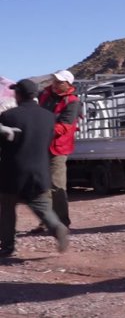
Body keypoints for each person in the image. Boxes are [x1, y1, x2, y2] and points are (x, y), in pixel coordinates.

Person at [0, 79, 69, 257]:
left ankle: (8, 247)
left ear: (19, 95)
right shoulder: (48, 117)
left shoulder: (8, 117)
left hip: (12, 172)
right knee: (42, 207)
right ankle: (57, 227)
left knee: (7, 210)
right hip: (40, 171)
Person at [30, 70, 79, 233]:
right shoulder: (45, 94)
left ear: (68, 85)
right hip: (41, 145)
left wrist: (41, 129)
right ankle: (46, 221)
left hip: (57, 148)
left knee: (57, 185)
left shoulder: (72, 101)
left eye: (60, 82)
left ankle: (63, 222)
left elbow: (65, 126)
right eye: (55, 81)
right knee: (41, 185)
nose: (56, 84)